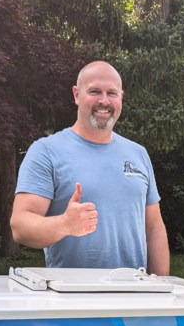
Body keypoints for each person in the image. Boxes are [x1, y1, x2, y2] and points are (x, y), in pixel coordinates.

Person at [10, 60, 170, 275]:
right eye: (94, 91)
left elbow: (154, 228)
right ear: (76, 94)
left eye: (112, 93)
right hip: (73, 299)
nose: (104, 101)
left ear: (121, 97)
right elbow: (20, 226)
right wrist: (64, 224)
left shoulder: (138, 153)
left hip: (136, 297)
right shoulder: (46, 151)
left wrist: (160, 289)